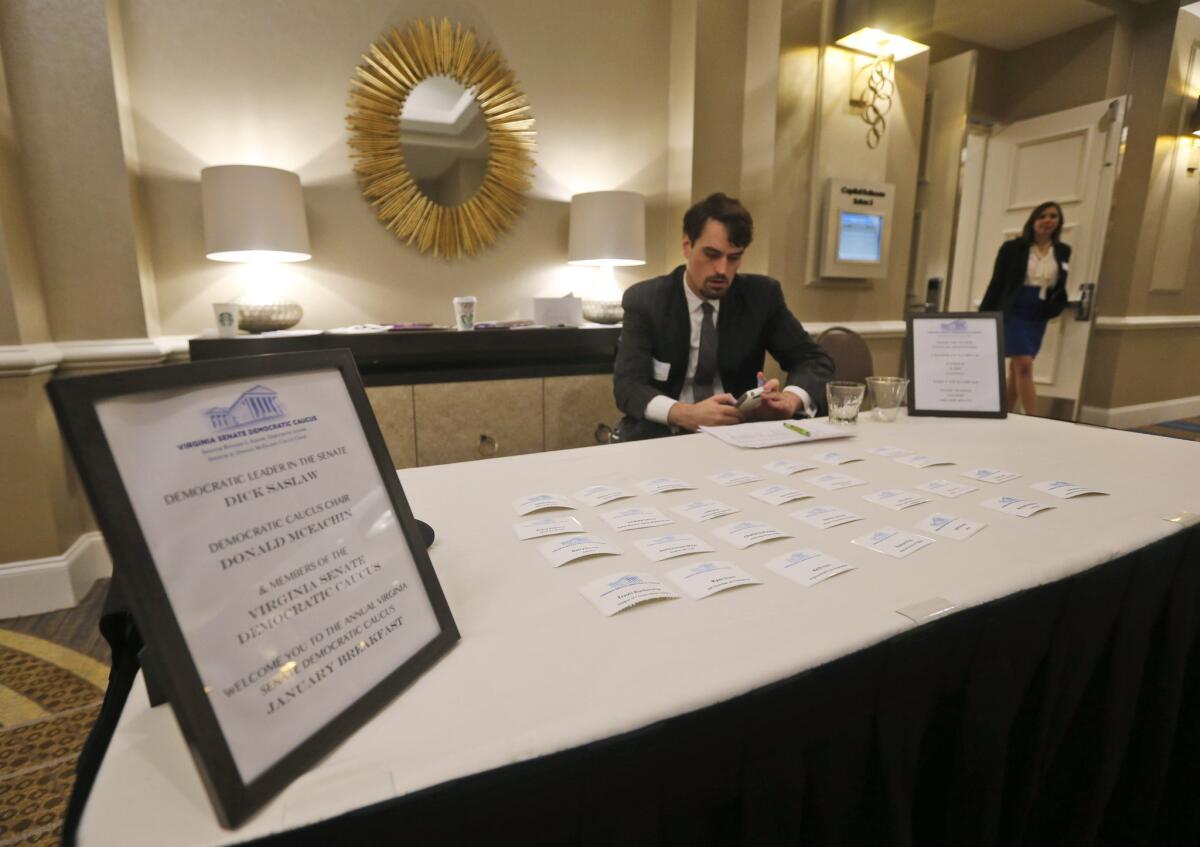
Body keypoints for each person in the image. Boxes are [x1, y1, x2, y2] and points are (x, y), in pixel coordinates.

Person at [613, 192, 833, 441]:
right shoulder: (646, 300)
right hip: (663, 436)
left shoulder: (761, 296)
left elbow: (813, 360)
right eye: (711, 254)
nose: (722, 269)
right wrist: (684, 413)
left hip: (738, 434)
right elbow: (628, 386)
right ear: (687, 246)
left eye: (734, 257)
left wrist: (791, 400)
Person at [979, 201, 1071, 415]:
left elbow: (1060, 283)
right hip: (1013, 310)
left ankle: (1007, 412)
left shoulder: (1063, 251)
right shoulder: (1013, 248)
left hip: (1037, 313)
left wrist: (1056, 305)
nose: (1048, 220)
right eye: (1042, 216)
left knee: (1016, 367)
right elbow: (997, 283)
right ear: (1034, 220)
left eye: (1053, 216)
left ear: (1059, 222)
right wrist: (983, 317)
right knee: (1024, 365)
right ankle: (1034, 418)